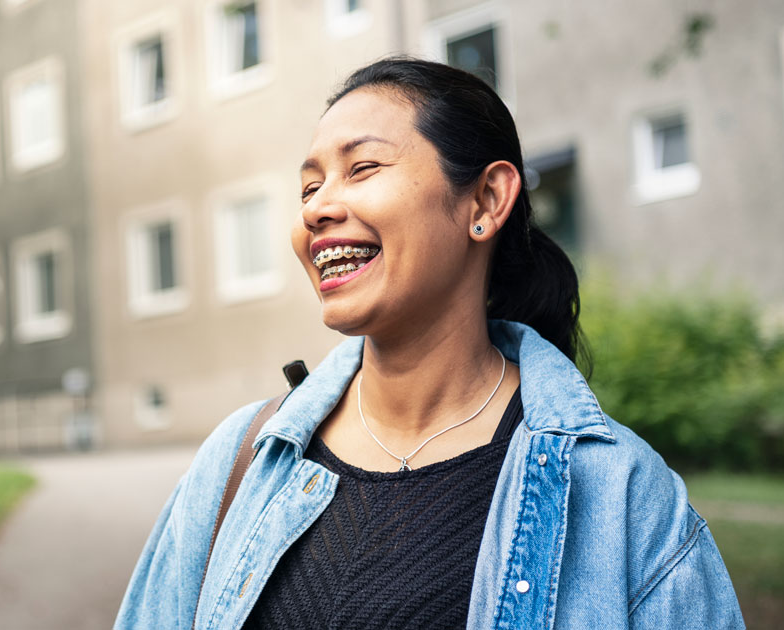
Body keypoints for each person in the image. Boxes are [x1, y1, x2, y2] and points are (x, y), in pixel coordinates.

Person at [115, 57, 744, 630]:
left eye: (362, 168)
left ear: (487, 199)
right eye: (309, 188)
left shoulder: (621, 495)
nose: (315, 211)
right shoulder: (241, 461)